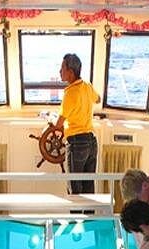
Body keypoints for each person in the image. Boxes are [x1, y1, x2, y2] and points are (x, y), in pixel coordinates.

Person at [54, 53, 100, 194]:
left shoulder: (70, 93)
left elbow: (58, 125)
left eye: (62, 68)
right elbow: (98, 99)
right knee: (88, 187)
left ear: (71, 72)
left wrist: (53, 119)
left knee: (74, 189)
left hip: (77, 143)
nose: (60, 71)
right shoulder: (87, 85)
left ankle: (76, 211)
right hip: (92, 142)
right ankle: (90, 210)